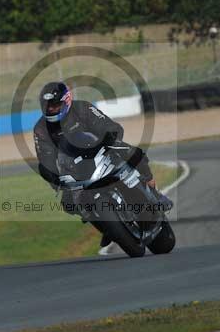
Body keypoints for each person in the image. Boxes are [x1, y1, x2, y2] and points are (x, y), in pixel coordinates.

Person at [33, 82, 172, 247]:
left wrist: (110, 138)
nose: (52, 110)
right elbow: (45, 159)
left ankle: (154, 190)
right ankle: (108, 228)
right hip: (74, 168)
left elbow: (110, 126)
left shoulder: (83, 108)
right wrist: (55, 179)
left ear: (67, 100)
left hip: (102, 150)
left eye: (55, 106)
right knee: (69, 203)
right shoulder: (40, 129)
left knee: (135, 154)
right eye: (48, 107)